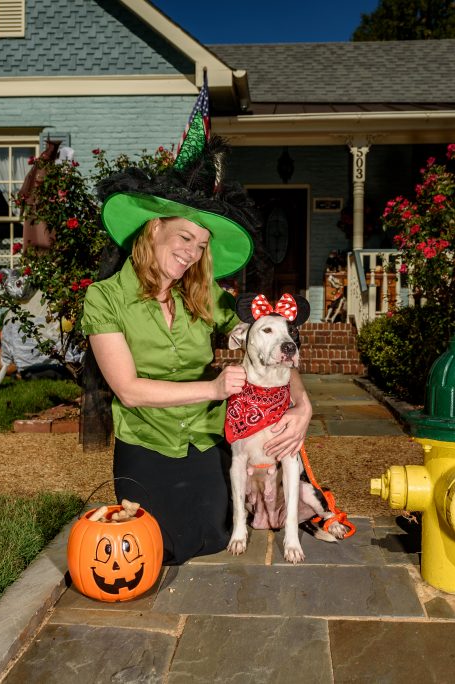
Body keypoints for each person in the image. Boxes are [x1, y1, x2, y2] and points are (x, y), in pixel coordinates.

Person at [81, 127, 312, 565]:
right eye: (185, 238)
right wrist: (212, 390)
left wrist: (302, 407)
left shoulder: (204, 297)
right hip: (147, 441)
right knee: (158, 548)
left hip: (206, 440)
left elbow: (272, 341)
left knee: (214, 536)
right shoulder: (105, 297)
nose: (191, 253)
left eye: (201, 246)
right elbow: (128, 389)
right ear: (154, 230)